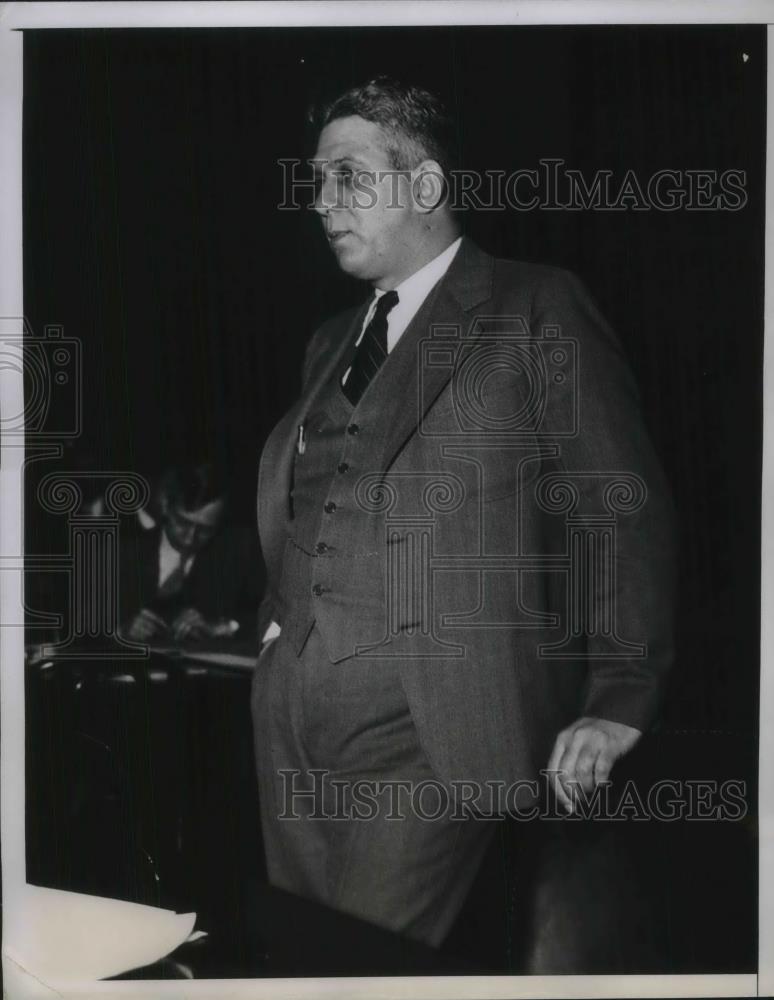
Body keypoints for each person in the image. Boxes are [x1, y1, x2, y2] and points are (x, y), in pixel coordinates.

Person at [251, 78, 676, 947]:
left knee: (362, 963)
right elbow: (308, 502)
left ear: (428, 186)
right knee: (296, 953)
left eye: (348, 175)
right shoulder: (327, 341)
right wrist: (273, 630)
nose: (322, 202)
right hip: (288, 719)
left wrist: (619, 696)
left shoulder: (534, 307)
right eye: (316, 180)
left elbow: (617, 502)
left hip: (435, 725)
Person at [119, 462, 262, 643]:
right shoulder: (120, 552)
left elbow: (279, 617)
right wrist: (120, 631)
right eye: (183, 523)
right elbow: (79, 623)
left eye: (205, 530)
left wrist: (226, 627)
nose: (190, 538)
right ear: (164, 504)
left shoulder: (239, 556)